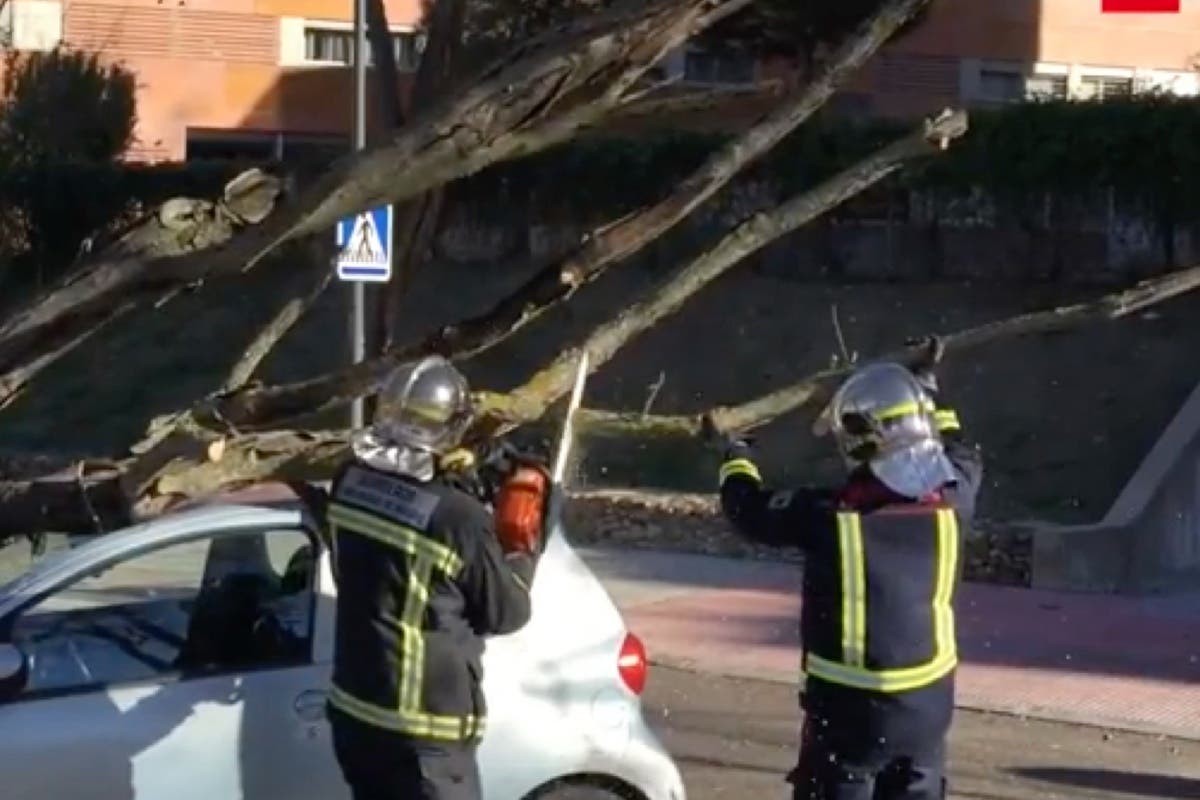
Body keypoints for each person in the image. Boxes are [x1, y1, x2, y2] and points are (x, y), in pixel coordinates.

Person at [716, 340, 983, 800]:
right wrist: (928, 386)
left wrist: (733, 455)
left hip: (848, 718)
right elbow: (959, 446)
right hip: (927, 713)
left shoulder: (826, 515)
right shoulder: (957, 496)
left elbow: (749, 511)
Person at [321, 355, 545, 800]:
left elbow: (402, 519)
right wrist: (523, 547)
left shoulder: (348, 480)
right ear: (450, 427)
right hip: (423, 731)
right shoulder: (457, 517)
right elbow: (506, 613)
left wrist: (459, 479)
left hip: (356, 716)